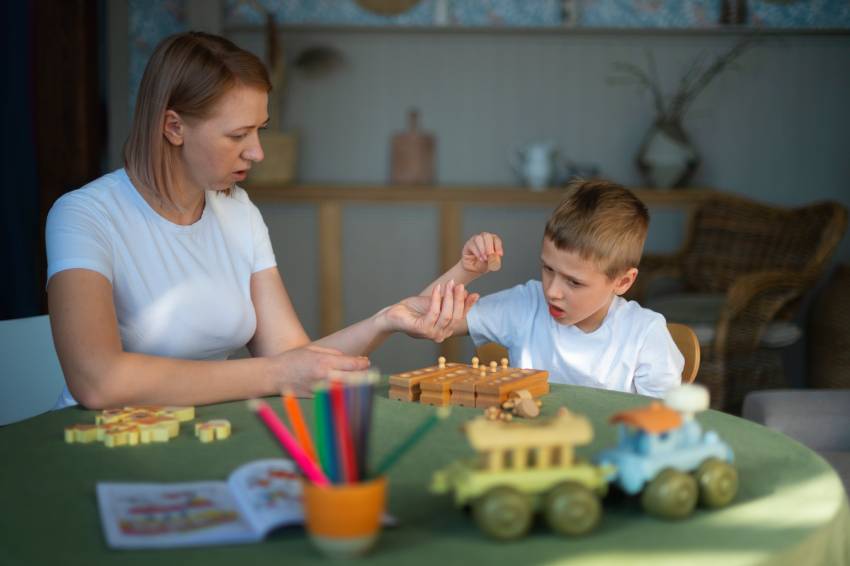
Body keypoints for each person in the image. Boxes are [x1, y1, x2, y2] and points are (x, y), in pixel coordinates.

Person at [46, 31, 474, 410]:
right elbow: (97, 381)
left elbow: (293, 357)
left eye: (260, 130)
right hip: (99, 439)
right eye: (237, 135)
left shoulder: (239, 211)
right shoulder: (84, 215)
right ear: (174, 127)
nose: (257, 152)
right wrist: (273, 374)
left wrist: (386, 320)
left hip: (198, 431)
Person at [423, 179, 683, 398]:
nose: (552, 292)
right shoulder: (527, 304)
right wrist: (466, 271)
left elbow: (665, 430)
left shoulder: (645, 336)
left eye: (574, 282)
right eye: (548, 269)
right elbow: (422, 318)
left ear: (623, 282)